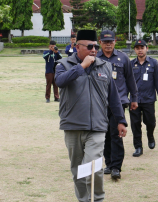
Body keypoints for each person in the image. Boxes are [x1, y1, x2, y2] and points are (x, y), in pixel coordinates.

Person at [54, 30, 127, 202]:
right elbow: (60, 82)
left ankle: (98, 199)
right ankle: (84, 200)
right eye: (89, 46)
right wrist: (82, 67)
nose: (94, 49)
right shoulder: (62, 64)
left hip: (97, 127)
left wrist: (121, 120)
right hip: (72, 126)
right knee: (78, 170)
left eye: (95, 46)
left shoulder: (105, 66)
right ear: (77, 47)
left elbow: (114, 97)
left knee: (93, 167)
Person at [96, 30, 138, 180]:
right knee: (104, 135)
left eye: (111, 41)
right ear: (100, 42)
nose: (108, 44)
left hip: (118, 103)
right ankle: (108, 163)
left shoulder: (123, 58)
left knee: (116, 134)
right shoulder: (95, 57)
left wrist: (134, 98)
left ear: (115, 42)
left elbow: (130, 79)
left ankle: (116, 167)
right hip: (99, 103)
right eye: (105, 42)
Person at [130, 39, 158, 157]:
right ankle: (138, 147)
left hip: (148, 98)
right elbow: (125, 82)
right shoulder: (130, 64)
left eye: (142, 47)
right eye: (137, 48)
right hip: (134, 100)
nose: (140, 50)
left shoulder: (154, 63)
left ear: (146, 49)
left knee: (150, 122)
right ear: (135, 50)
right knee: (135, 124)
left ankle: (150, 135)